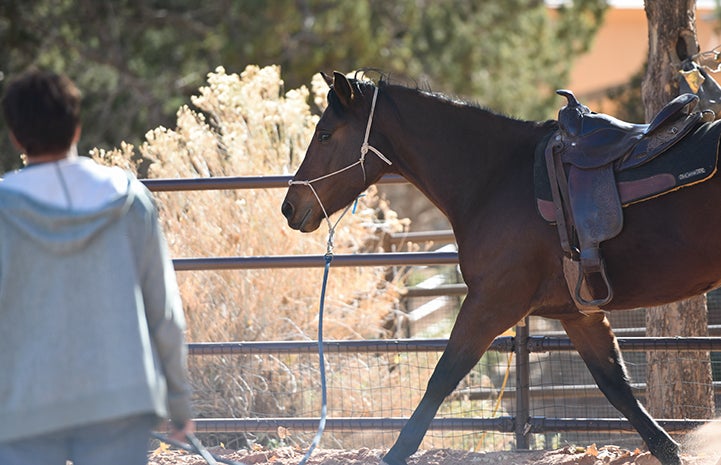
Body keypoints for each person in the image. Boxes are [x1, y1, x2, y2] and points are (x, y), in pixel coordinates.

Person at [0, 67, 194, 465]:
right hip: (119, 400)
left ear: (15, 135)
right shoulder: (130, 200)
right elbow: (164, 312)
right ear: (76, 128)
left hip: (23, 404)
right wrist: (179, 400)